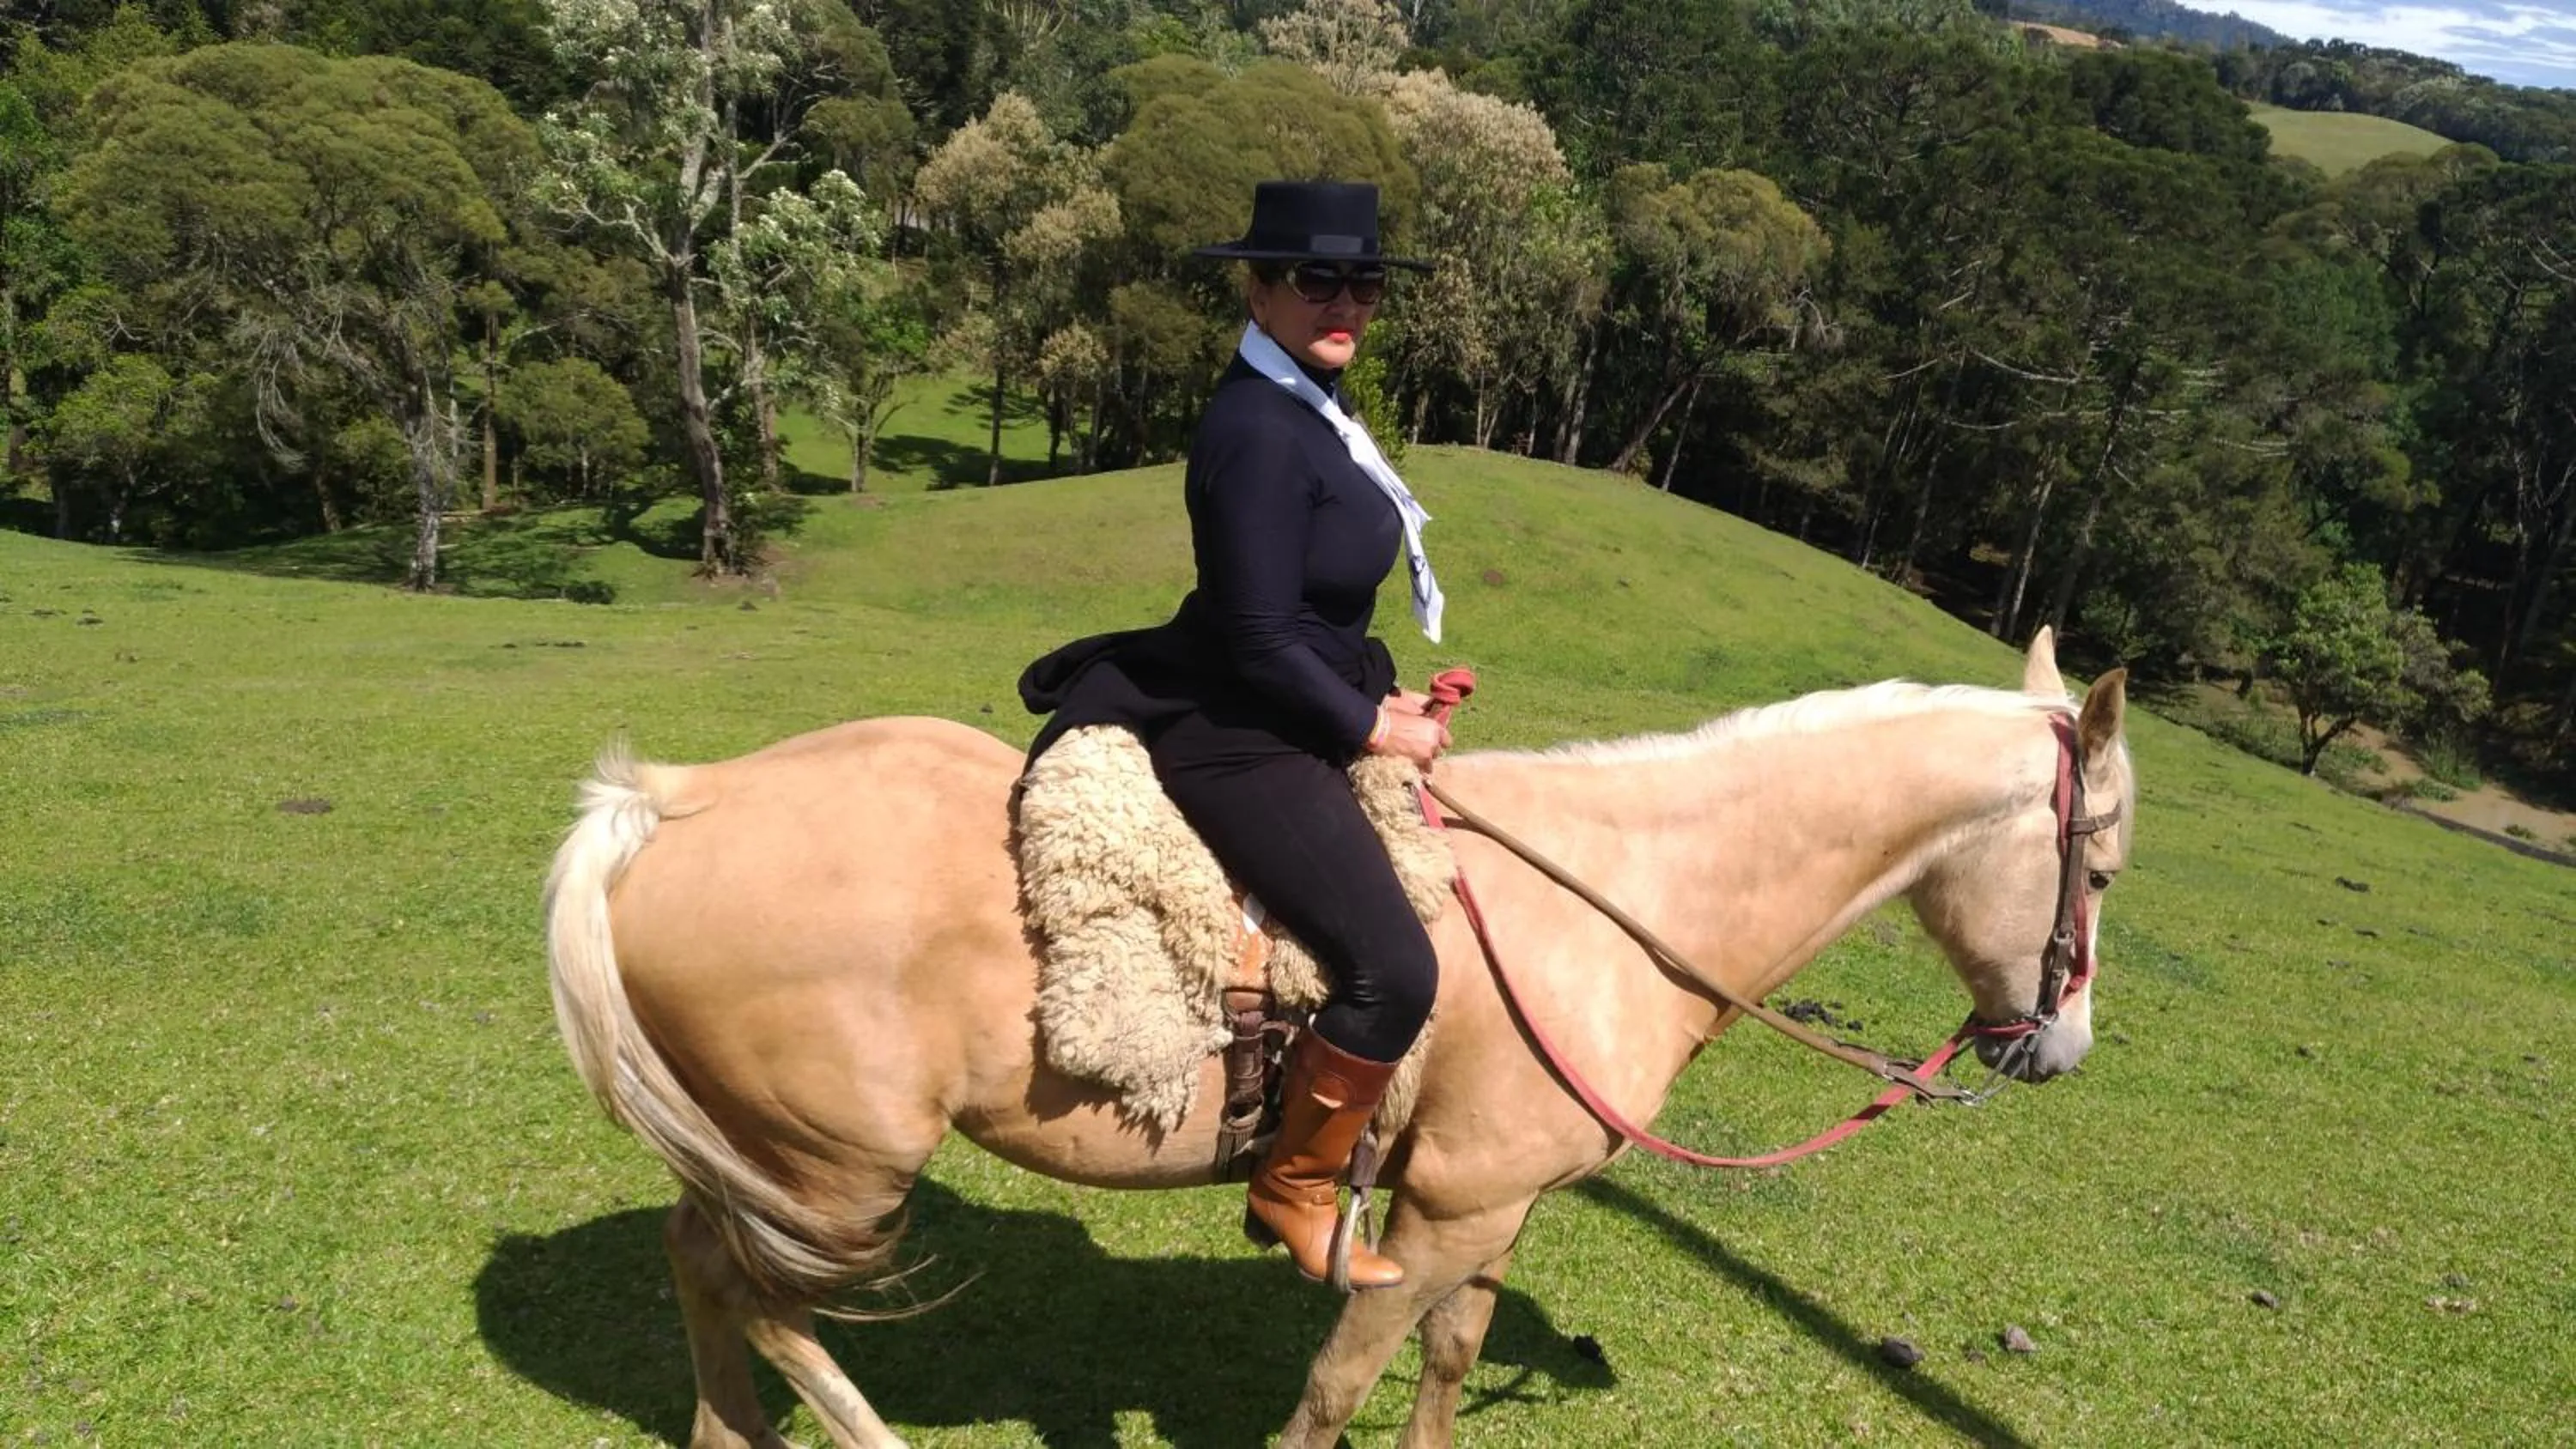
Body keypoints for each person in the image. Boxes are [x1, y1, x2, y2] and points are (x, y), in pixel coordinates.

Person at [1018, 180, 1449, 1289]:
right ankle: (1296, 1184)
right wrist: (1365, 726)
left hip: (1278, 695)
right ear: (1258, 289)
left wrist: (1377, 700)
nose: (1344, 300)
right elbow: (1258, 637)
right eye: (1317, 280)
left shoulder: (1310, 402)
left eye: (1363, 282)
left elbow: (1301, 616)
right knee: (1395, 969)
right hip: (1237, 731)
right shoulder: (1259, 427)